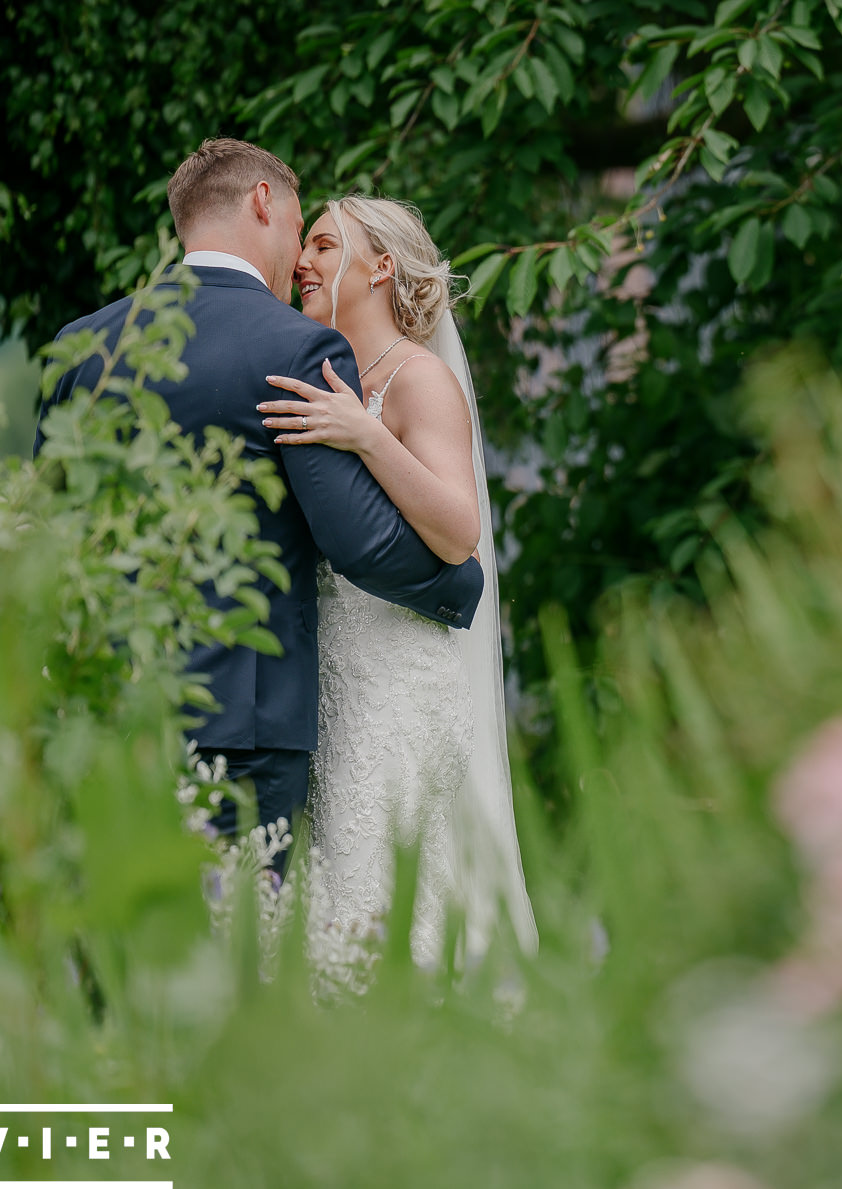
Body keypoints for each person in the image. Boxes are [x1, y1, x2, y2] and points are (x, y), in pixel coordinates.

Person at [40, 139, 485, 881]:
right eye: (301, 230)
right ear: (261, 204)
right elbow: (359, 544)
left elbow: (52, 534)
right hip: (244, 721)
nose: (301, 261)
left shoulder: (81, 348)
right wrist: (460, 585)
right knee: (238, 958)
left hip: (104, 711)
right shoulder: (294, 346)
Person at [262, 194, 536, 970]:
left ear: (381, 266)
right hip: (330, 673)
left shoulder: (418, 381)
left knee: (386, 880)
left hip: (398, 677)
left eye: (323, 244)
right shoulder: (327, 367)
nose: (303, 261)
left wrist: (364, 434)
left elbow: (459, 529)